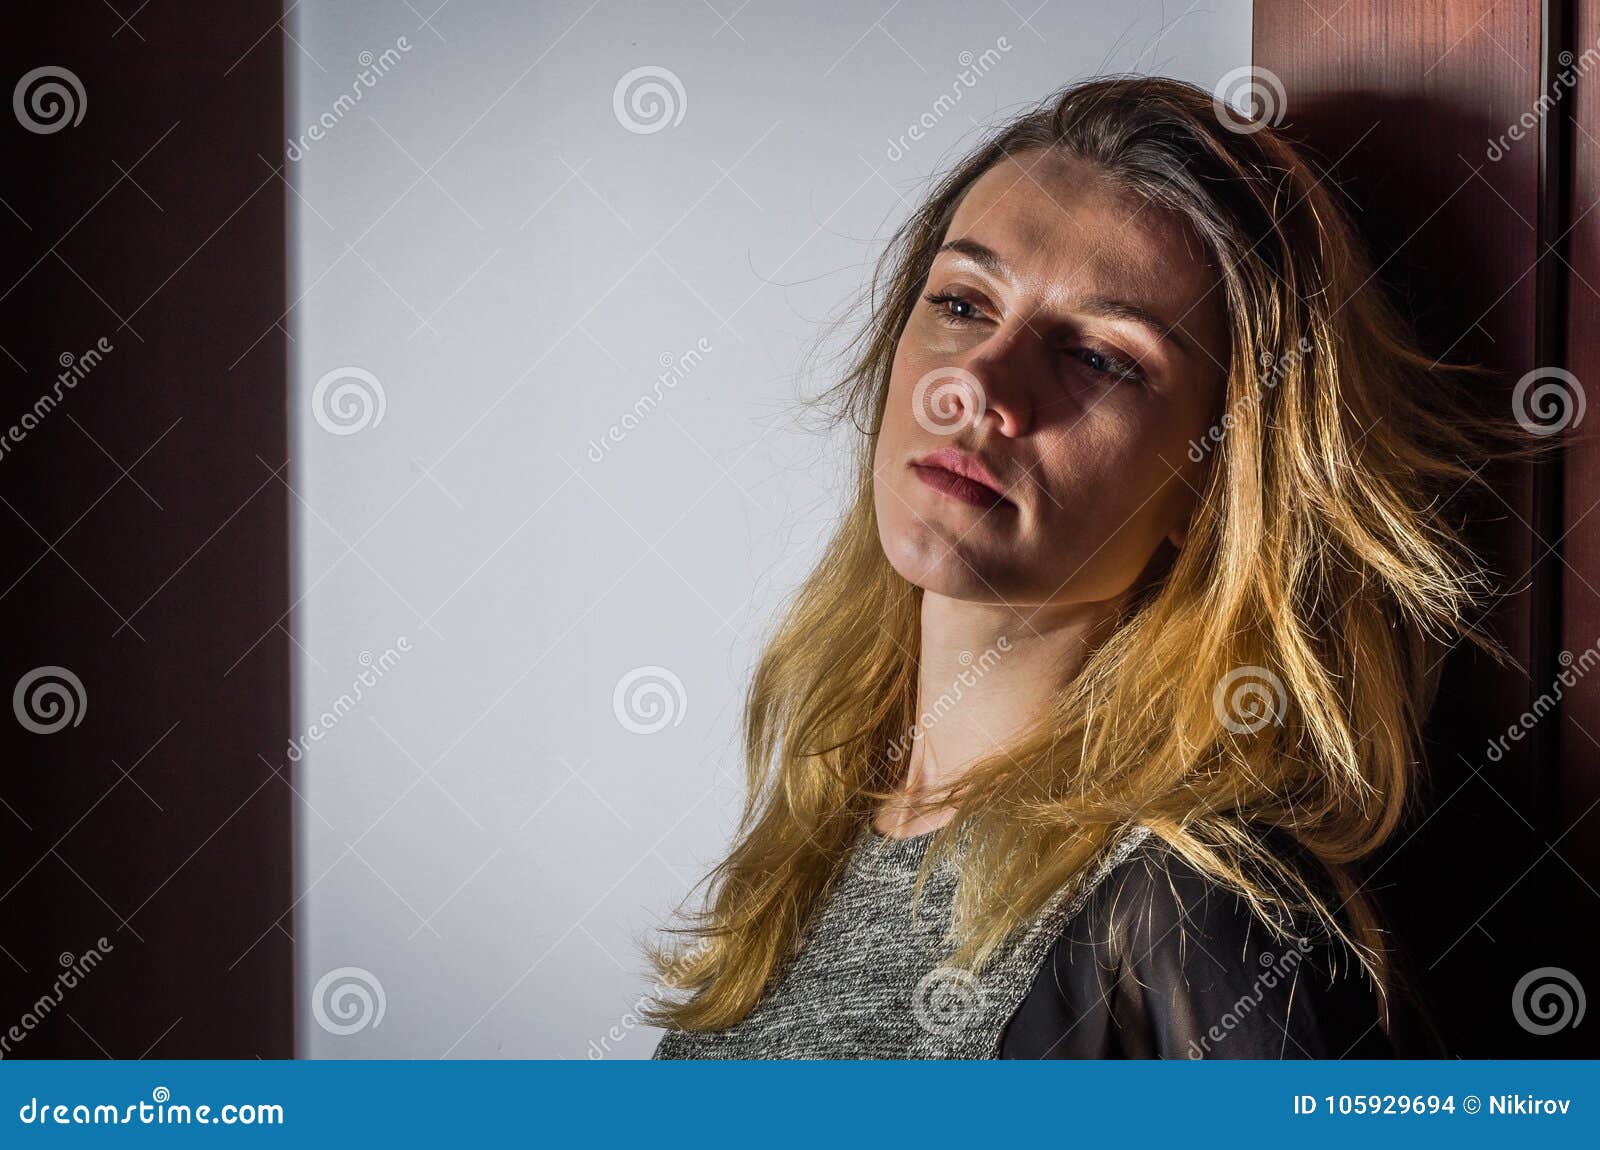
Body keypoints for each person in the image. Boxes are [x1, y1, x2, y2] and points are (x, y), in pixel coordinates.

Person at [643, 73, 1560, 1059]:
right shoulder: (814, 818)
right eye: (960, 300)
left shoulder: (1186, 905)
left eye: (1099, 357)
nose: (978, 385)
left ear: (1216, 485)